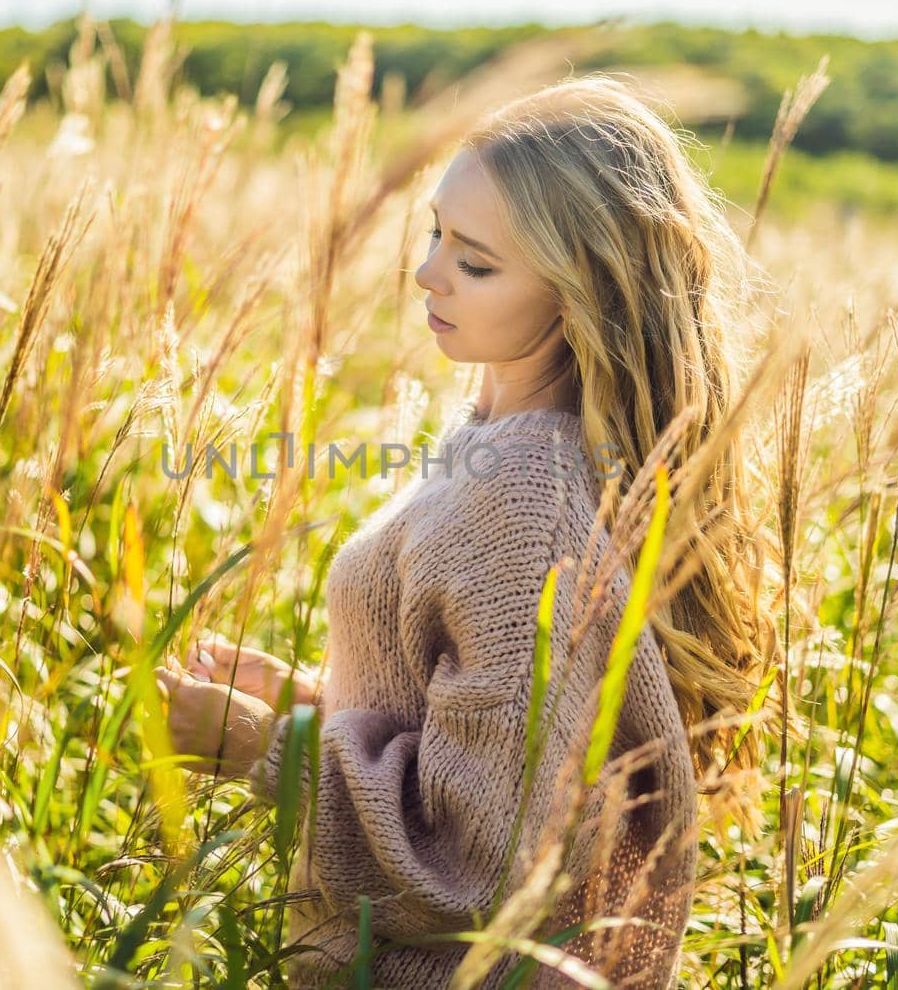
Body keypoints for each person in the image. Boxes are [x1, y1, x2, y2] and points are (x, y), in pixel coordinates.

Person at [156, 72, 775, 988]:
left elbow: (475, 865)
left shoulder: (527, 495)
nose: (427, 272)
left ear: (578, 293)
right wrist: (310, 701)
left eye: (476, 262)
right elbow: (479, 739)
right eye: (437, 231)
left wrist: (263, 752)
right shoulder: (495, 442)